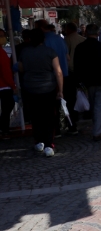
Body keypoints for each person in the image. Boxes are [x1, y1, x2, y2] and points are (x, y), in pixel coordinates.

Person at [18, 28, 64, 157]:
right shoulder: (50, 52)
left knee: (35, 116)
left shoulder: (25, 52)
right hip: (48, 88)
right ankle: (49, 144)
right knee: (49, 116)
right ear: (43, 39)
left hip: (30, 88)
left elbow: (21, 68)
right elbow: (58, 72)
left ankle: (39, 141)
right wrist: (60, 90)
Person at [73, 24, 101, 142]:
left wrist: (79, 82)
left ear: (86, 33)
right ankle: (97, 131)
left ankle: (98, 127)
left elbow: (77, 67)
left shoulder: (80, 47)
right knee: (100, 107)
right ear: (97, 34)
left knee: (93, 106)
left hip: (88, 82)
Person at [35, 19, 70, 137]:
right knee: (64, 102)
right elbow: (67, 57)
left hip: (50, 77)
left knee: (51, 106)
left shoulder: (44, 42)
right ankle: (70, 125)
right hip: (64, 75)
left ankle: (56, 129)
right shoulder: (60, 39)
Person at [62, 22, 86, 134]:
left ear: (69, 29)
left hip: (71, 72)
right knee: (82, 93)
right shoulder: (82, 39)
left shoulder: (67, 40)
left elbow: (66, 57)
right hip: (82, 70)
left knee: (71, 98)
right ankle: (84, 112)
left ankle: (73, 119)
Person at [0, 32, 17, 139]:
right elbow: (5, 71)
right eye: (1, 36)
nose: (4, 38)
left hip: (3, 84)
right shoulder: (1, 53)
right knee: (7, 107)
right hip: (4, 86)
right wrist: (13, 85)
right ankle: (4, 129)